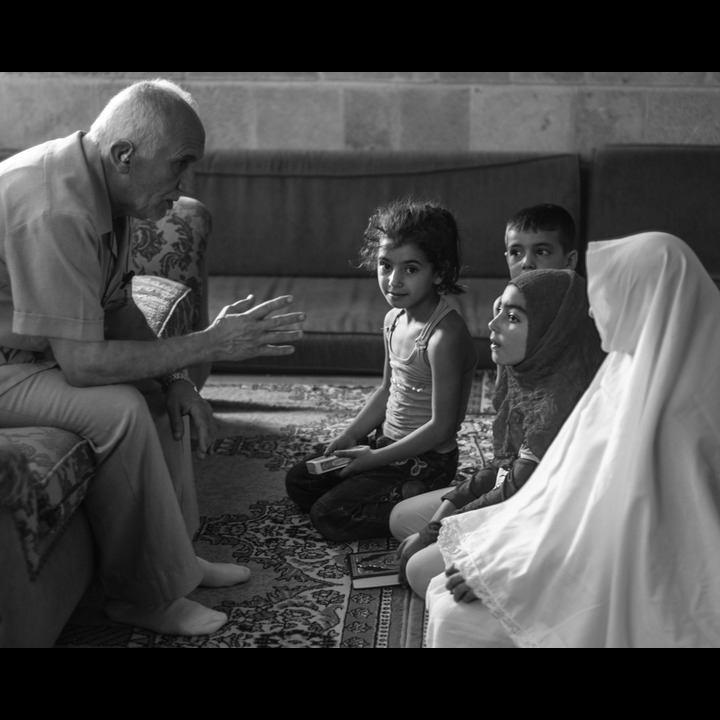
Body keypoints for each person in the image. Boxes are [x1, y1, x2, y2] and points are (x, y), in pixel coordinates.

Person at [0, 78, 306, 637]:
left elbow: (117, 307)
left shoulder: (102, 189)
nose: (184, 184)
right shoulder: (54, 207)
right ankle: (144, 596)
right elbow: (83, 366)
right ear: (124, 155)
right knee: (118, 406)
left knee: (162, 392)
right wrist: (211, 342)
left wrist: (177, 379)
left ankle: (178, 563)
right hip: (6, 364)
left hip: (27, 354)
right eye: (179, 164)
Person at [425, 232, 720, 648]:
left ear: (648, 301)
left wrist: (514, 569)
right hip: (576, 537)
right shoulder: (627, 364)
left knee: (454, 615)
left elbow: (625, 521)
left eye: (613, 294)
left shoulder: (684, 409)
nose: (595, 309)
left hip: (641, 569)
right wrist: (501, 553)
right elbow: (567, 485)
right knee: (441, 579)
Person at [391, 268, 605, 598]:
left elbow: (512, 492)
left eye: (513, 318)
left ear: (553, 332)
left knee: (419, 570)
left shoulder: (558, 403)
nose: (493, 325)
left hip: (545, 523)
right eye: (499, 311)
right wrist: (438, 523)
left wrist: (435, 532)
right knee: (401, 519)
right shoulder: (528, 374)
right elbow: (502, 470)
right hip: (517, 495)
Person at [285, 197, 477, 541]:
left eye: (411, 269)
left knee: (330, 515)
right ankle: (377, 485)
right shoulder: (392, 320)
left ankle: (424, 510)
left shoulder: (444, 336)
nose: (394, 280)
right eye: (385, 265)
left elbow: (442, 427)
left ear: (440, 271)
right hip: (384, 445)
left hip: (428, 461)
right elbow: (387, 390)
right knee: (299, 480)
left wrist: (372, 460)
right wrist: (350, 436)